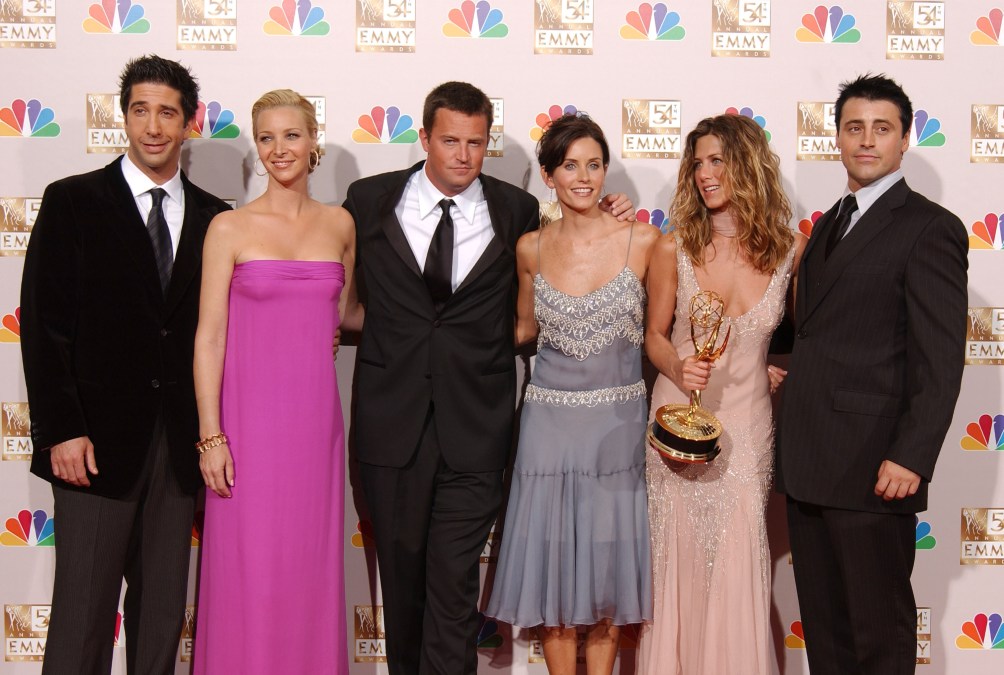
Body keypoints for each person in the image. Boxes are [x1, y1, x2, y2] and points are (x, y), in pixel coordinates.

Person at [343, 81, 633, 675]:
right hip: (391, 424)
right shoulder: (368, 200)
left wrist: (608, 215)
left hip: (477, 427)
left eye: (476, 143)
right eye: (450, 141)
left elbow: (568, 247)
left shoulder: (516, 209)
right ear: (425, 138)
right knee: (401, 584)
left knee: (454, 585)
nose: (463, 155)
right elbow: (334, 289)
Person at [19, 56, 230, 674]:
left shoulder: (217, 217)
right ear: (124, 117)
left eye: (167, 112)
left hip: (178, 447)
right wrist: (62, 428)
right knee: (82, 616)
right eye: (141, 110)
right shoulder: (73, 200)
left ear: (189, 122)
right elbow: (44, 325)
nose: (153, 127)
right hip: (92, 446)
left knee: (161, 620)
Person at [777, 74, 967, 675]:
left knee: (878, 635)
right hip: (809, 460)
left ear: (904, 139)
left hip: (874, 466)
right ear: (836, 137)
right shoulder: (830, 222)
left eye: (881, 129)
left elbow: (940, 359)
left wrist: (911, 455)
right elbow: (814, 330)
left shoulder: (931, 227)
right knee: (827, 632)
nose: (866, 140)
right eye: (854, 127)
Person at [192, 89, 359, 674]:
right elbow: (209, 338)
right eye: (266, 137)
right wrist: (211, 436)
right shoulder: (228, 227)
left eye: (291, 135)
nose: (279, 149)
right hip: (246, 431)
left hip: (314, 431)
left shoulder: (341, 224)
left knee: (308, 568)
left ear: (314, 141)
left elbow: (348, 315)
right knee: (248, 572)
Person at [485, 113, 656, 675]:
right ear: (548, 175)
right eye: (569, 166)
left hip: (618, 431)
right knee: (553, 572)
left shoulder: (644, 240)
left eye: (594, 164)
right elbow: (522, 330)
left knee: (608, 572)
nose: (583, 177)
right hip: (548, 430)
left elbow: (669, 331)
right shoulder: (530, 248)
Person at [638, 113, 806, 674]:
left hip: (748, 425)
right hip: (677, 423)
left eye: (718, 161)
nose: (705, 174)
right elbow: (654, 335)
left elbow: (810, 334)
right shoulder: (673, 248)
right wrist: (677, 365)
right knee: (675, 557)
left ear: (748, 165)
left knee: (739, 556)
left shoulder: (793, 251)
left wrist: (774, 367)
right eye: (698, 163)